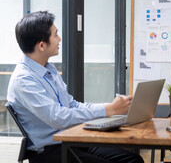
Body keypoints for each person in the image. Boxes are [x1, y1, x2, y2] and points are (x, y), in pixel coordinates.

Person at [7, 11, 143, 163]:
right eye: (55, 35)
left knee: (133, 160)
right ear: (42, 45)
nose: (60, 39)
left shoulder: (48, 69)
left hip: (70, 140)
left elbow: (72, 105)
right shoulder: (24, 80)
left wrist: (110, 108)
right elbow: (58, 118)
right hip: (50, 152)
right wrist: (109, 110)